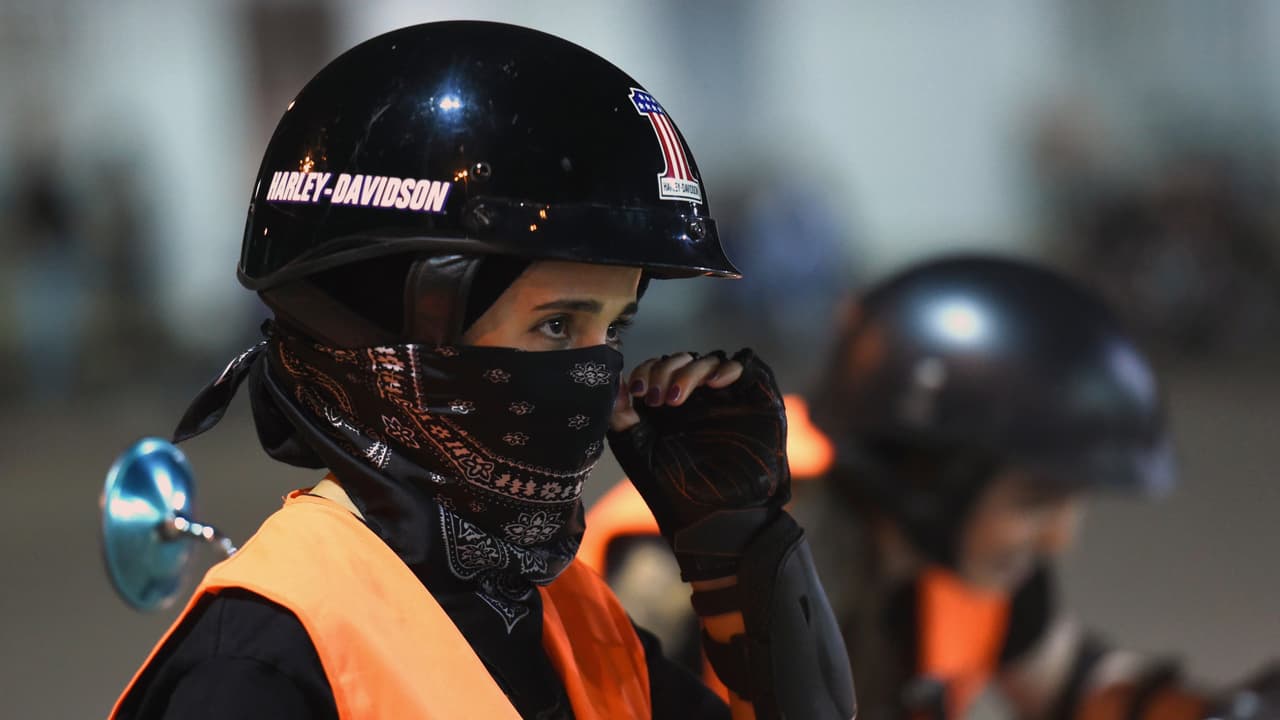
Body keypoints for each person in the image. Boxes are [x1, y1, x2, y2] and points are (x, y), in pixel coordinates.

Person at [108, 21, 854, 720]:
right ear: (389, 325)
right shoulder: (258, 660)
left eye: (614, 327)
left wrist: (737, 555)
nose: (599, 373)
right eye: (557, 324)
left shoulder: (563, 613)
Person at [586, 255, 1278, 719]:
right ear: (926, 473)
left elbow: (1074, 682)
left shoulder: (956, 552)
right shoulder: (693, 533)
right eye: (1037, 499)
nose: (1061, 535)